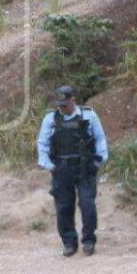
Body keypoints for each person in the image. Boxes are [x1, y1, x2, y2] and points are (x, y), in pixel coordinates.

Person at [36, 86, 109, 257]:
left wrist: (99, 161)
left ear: (73, 100)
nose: (63, 108)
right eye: (60, 105)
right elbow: (43, 143)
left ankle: (89, 241)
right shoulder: (50, 119)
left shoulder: (88, 115)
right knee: (63, 207)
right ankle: (69, 243)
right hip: (61, 168)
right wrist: (49, 165)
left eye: (65, 104)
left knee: (87, 205)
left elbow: (100, 139)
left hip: (84, 167)